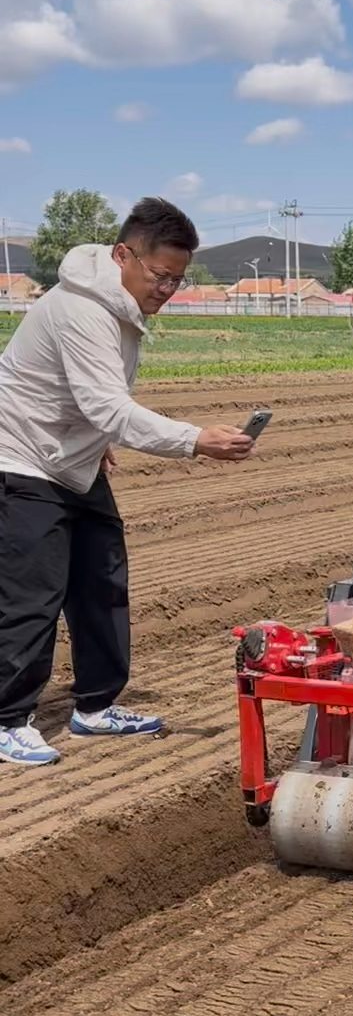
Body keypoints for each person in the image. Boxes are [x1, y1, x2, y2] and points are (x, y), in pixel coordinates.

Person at [0, 196, 254, 767]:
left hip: (74, 460)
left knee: (102, 583)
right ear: (123, 255)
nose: (167, 289)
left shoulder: (119, 304)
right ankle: (7, 719)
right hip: (22, 459)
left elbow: (88, 398)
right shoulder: (81, 309)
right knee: (32, 596)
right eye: (161, 275)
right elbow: (107, 405)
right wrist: (194, 439)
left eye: (178, 280)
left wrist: (95, 438)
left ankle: (95, 707)